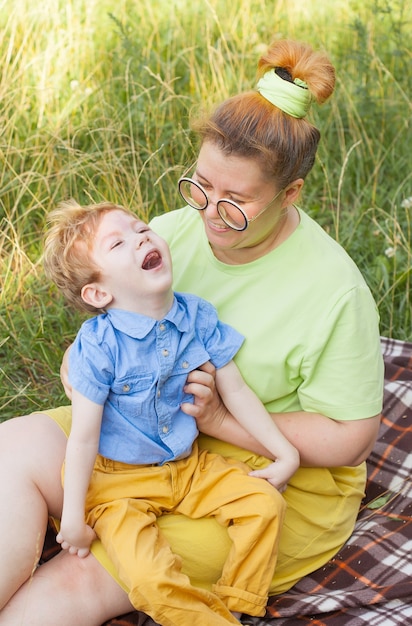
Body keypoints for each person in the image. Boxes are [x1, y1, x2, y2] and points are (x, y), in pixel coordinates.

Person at [0, 38, 384, 626]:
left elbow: (350, 438)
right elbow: (106, 335)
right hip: (146, 439)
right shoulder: (170, 234)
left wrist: (221, 422)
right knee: (12, 448)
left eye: (236, 202)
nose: (209, 213)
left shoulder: (335, 289)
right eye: (201, 186)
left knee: (87, 570)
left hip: (267, 474)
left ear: (291, 194)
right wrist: (81, 378)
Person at [42, 199, 299, 625]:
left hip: (186, 465)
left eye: (141, 227)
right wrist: (72, 517)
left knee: (264, 503)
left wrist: (284, 452)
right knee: (148, 578)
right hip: (116, 482)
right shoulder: (99, 347)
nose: (142, 236)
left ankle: (236, 603)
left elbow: (235, 390)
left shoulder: (196, 315)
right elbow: (83, 437)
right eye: (118, 242)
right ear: (98, 293)